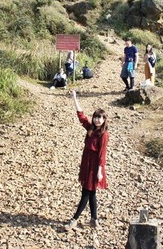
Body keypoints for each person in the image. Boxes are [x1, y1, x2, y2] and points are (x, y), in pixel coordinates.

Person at [65, 90, 108, 230]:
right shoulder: (90, 128)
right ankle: (94, 220)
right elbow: (81, 116)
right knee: (92, 193)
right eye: (95, 117)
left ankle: (74, 219)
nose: (97, 120)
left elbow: (102, 153)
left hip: (95, 166)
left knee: (86, 192)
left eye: (100, 118)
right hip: (87, 162)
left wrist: (100, 171)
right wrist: (75, 98)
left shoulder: (103, 134)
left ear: (104, 120)